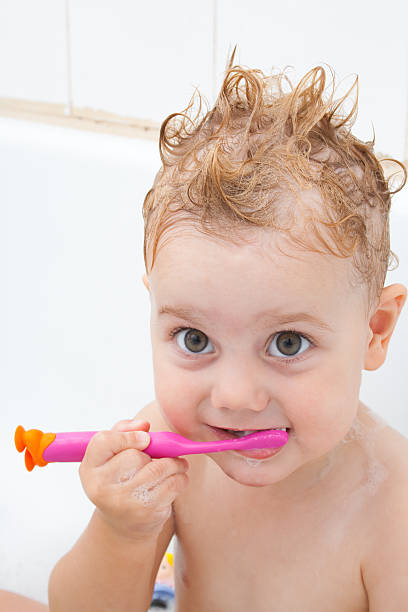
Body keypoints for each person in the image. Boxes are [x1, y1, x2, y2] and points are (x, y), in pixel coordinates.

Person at [48, 53, 408, 611]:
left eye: (288, 343)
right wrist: (123, 532)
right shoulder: (173, 453)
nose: (235, 397)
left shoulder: (390, 499)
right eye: (195, 340)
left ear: (375, 330)